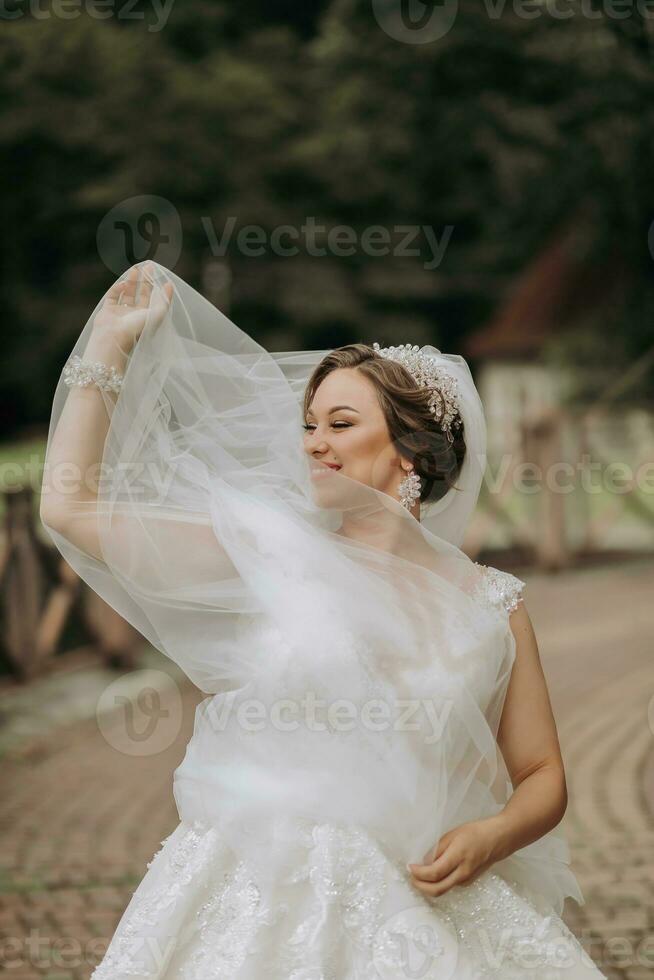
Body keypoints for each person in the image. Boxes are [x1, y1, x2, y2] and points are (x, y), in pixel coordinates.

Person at [40, 261, 606, 978]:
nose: (312, 442)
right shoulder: (269, 552)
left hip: (432, 898)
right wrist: (109, 348)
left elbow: (542, 772)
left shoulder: (493, 602)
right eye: (308, 424)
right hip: (260, 893)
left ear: (413, 451)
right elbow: (69, 508)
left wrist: (493, 835)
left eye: (341, 423)